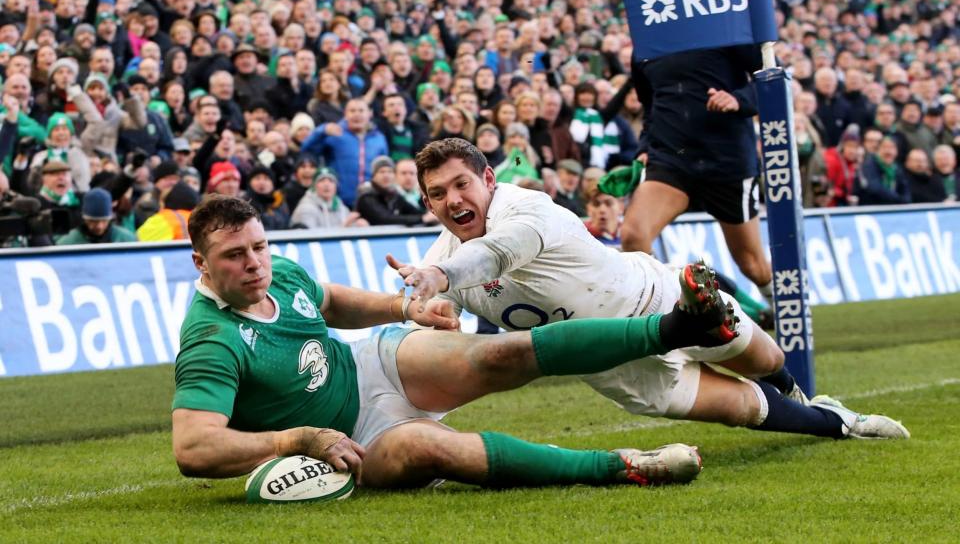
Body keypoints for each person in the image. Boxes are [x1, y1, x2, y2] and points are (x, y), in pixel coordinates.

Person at [171, 194, 743, 488]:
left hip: (374, 365)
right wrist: (295, 440)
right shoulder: (211, 340)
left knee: (501, 352)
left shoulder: (277, 268)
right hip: (348, 438)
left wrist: (403, 306)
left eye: (259, 248)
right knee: (436, 450)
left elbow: (330, 301)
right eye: (234, 256)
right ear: (201, 262)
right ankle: (620, 466)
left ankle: (680, 326)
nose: (254, 264)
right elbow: (194, 449)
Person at [392, 138, 908, 444]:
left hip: (656, 298)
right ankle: (840, 425)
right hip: (617, 365)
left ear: (488, 179)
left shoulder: (525, 208)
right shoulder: (441, 260)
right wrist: (428, 312)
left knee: (764, 357)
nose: (453, 199)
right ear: (428, 203)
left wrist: (442, 279)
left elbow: (497, 253)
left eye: (462, 184)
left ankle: (799, 391)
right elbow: (427, 327)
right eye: (438, 193)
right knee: (741, 410)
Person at [621, 46, 775, 308]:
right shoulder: (647, 40)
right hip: (671, 160)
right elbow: (650, 105)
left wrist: (738, 99)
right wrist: (644, 148)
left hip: (727, 162)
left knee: (752, 265)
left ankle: (781, 308)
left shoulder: (723, 26)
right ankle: (665, 312)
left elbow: (772, 78)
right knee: (634, 235)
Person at [56, 187, 138, 245]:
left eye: (104, 220)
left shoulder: (127, 240)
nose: (99, 226)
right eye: (93, 221)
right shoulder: (67, 244)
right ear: (84, 218)